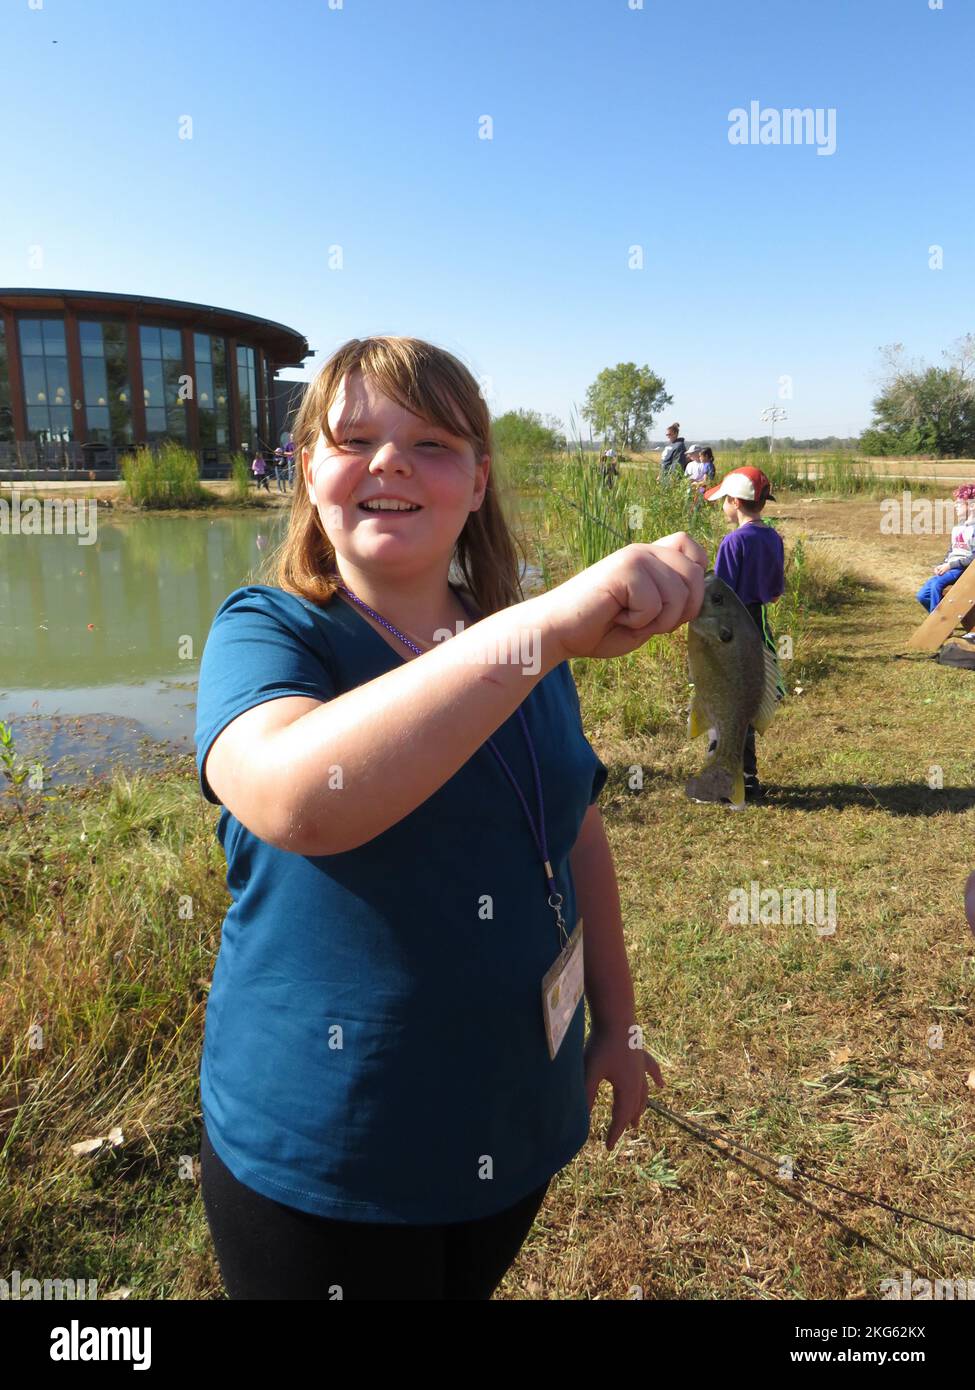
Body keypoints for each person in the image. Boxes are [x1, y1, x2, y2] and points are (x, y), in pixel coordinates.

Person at [194, 334, 707, 1300]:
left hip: (511, 1119)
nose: (389, 461)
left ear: (477, 483)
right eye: (354, 439)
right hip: (330, 1151)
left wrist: (619, 1022)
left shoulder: (512, 633)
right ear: (308, 475)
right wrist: (547, 625)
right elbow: (296, 799)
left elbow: (574, 826)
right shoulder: (268, 630)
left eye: (432, 442)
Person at [702, 465, 785, 803]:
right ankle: (748, 781)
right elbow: (775, 592)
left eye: (723, 500)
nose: (721, 506)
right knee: (746, 704)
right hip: (758, 626)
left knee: (722, 704)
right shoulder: (773, 537)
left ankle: (722, 784)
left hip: (731, 631)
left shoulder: (733, 541)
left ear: (735, 502)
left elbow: (723, 597)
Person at [915, 485, 975, 613]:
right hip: (950, 568)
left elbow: (973, 558)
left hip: (963, 570)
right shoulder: (958, 527)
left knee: (936, 585)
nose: (955, 505)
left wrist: (950, 565)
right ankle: (942, 619)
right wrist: (943, 564)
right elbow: (951, 550)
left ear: (971, 506)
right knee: (922, 595)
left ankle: (936, 625)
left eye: (959, 503)